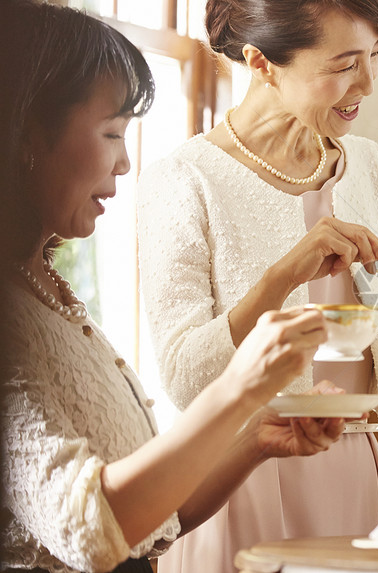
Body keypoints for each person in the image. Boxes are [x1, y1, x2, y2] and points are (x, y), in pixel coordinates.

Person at [135, 0, 378, 569]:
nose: (369, 84)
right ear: (260, 62)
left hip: (352, 467)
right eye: (343, 64)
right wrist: (283, 275)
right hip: (234, 480)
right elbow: (187, 378)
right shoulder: (183, 181)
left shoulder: (371, 169)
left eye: (375, 55)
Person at [0, 2, 347, 572]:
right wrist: (238, 384)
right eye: (111, 132)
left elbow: (153, 519)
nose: (124, 162)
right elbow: (92, 530)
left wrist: (260, 438)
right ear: (26, 133)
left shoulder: (50, 295)